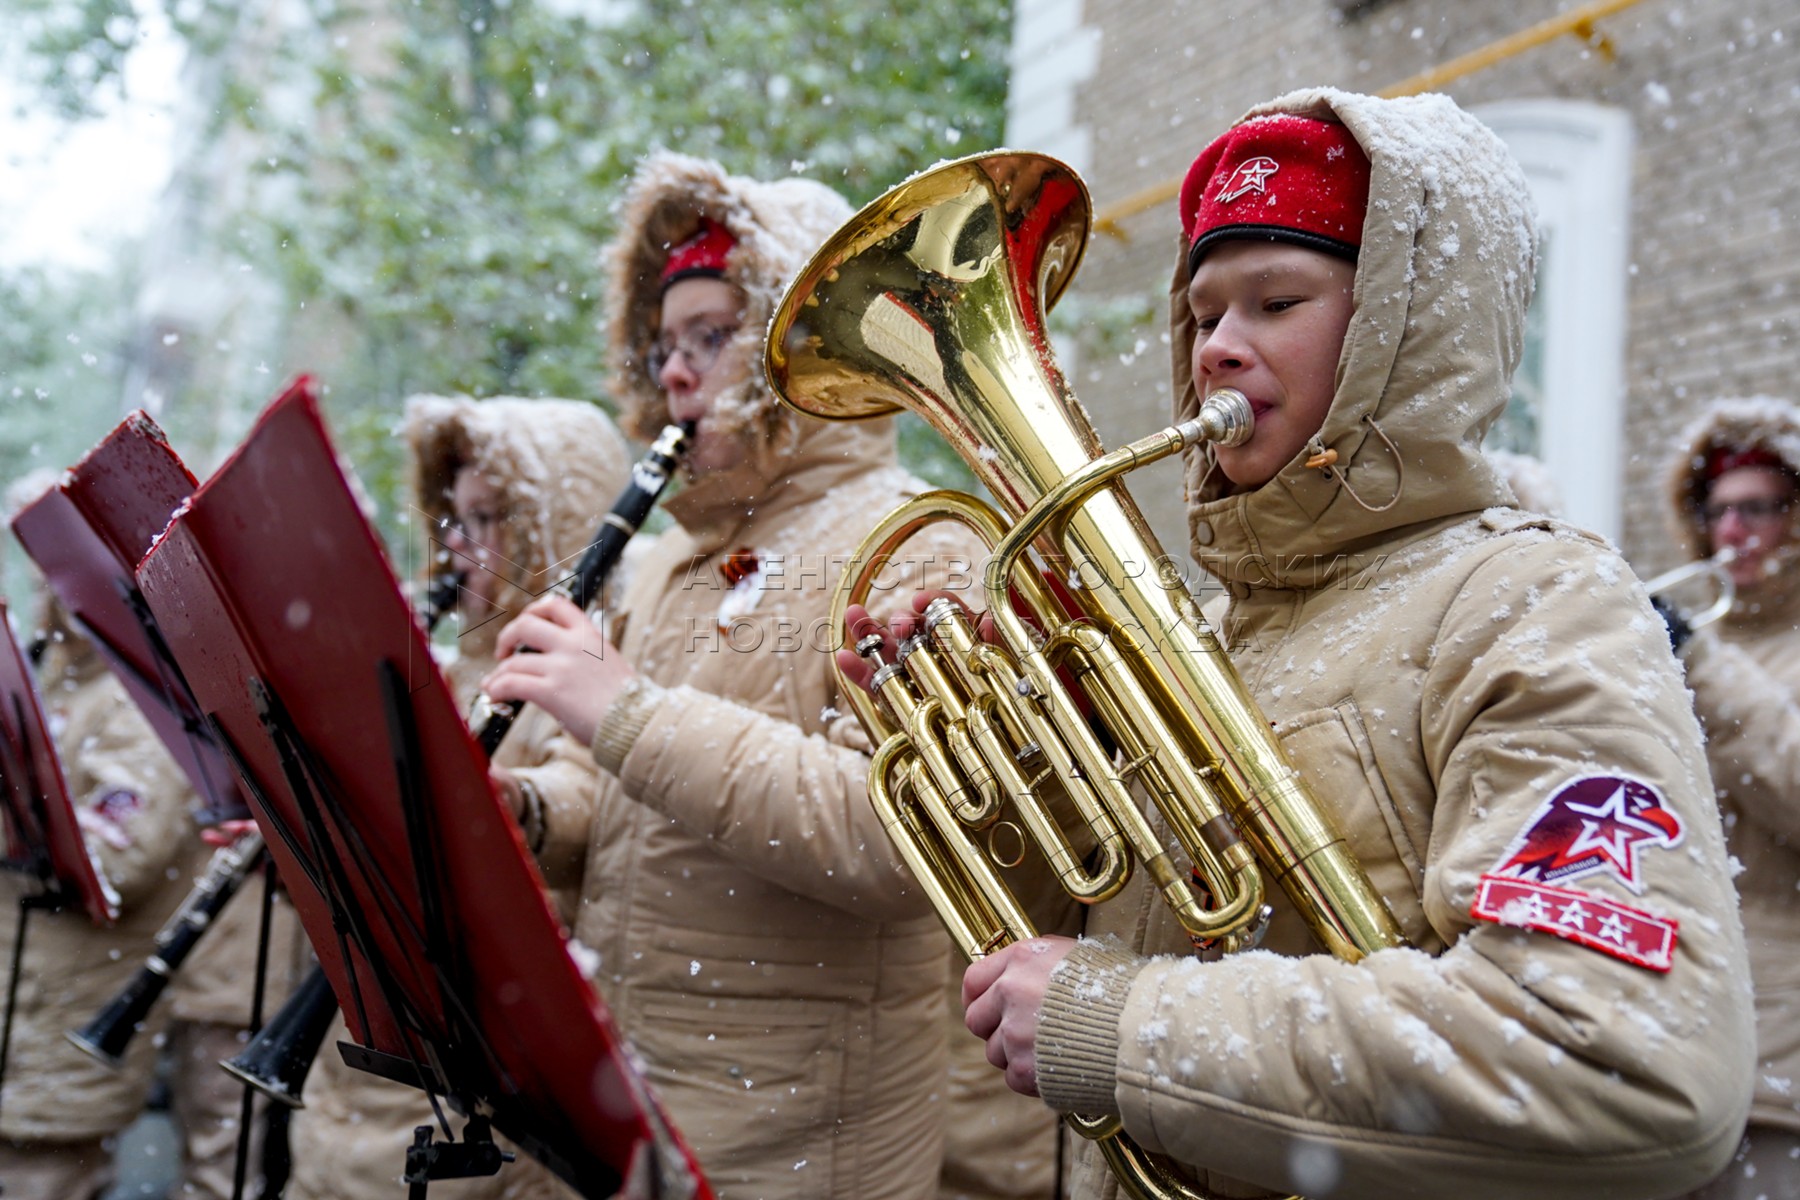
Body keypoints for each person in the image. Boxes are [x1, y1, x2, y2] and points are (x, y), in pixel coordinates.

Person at [850, 90, 1755, 1199]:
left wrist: (1122, 1027)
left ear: (1400, 330)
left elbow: (1618, 1061)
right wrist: (1005, 751)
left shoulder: (1536, 599)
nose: (1220, 349)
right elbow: (1115, 935)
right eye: (1202, 314)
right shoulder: (1219, 626)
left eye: (1276, 301)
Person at [480, 152, 986, 1200]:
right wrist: (525, 811)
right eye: (664, 346)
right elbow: (619, 793)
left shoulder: (920, 541)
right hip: (632, 1115)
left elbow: (893, 836)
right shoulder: (667, 562)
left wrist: (621, 709)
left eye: (713, 339)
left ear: (791, 348)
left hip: (794, 1150)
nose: (673, 372)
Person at [280, 394, 626, 1200]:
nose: (460, 548)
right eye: (453, 522)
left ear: (551, 523)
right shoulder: (444, 669)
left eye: (487, 519)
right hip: (376, 1062)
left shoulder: (593, 668)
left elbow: (586, 803)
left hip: (475, 1085)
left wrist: (504, 802)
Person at [0, 596, 198, 1200]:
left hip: (64, 1015)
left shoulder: (136, 696)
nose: (46, 594)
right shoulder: (64, 676)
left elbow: (118, 860)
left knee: (42, 1181)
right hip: (27, 1003)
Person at [1660, 396, 1800, 1198]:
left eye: (1758, 509)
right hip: (1679, 1035)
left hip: (1777, 1061)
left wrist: (1702, 664)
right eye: (1718, 512)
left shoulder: (1710, 658)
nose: (1734, 533)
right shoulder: (1697, 649)